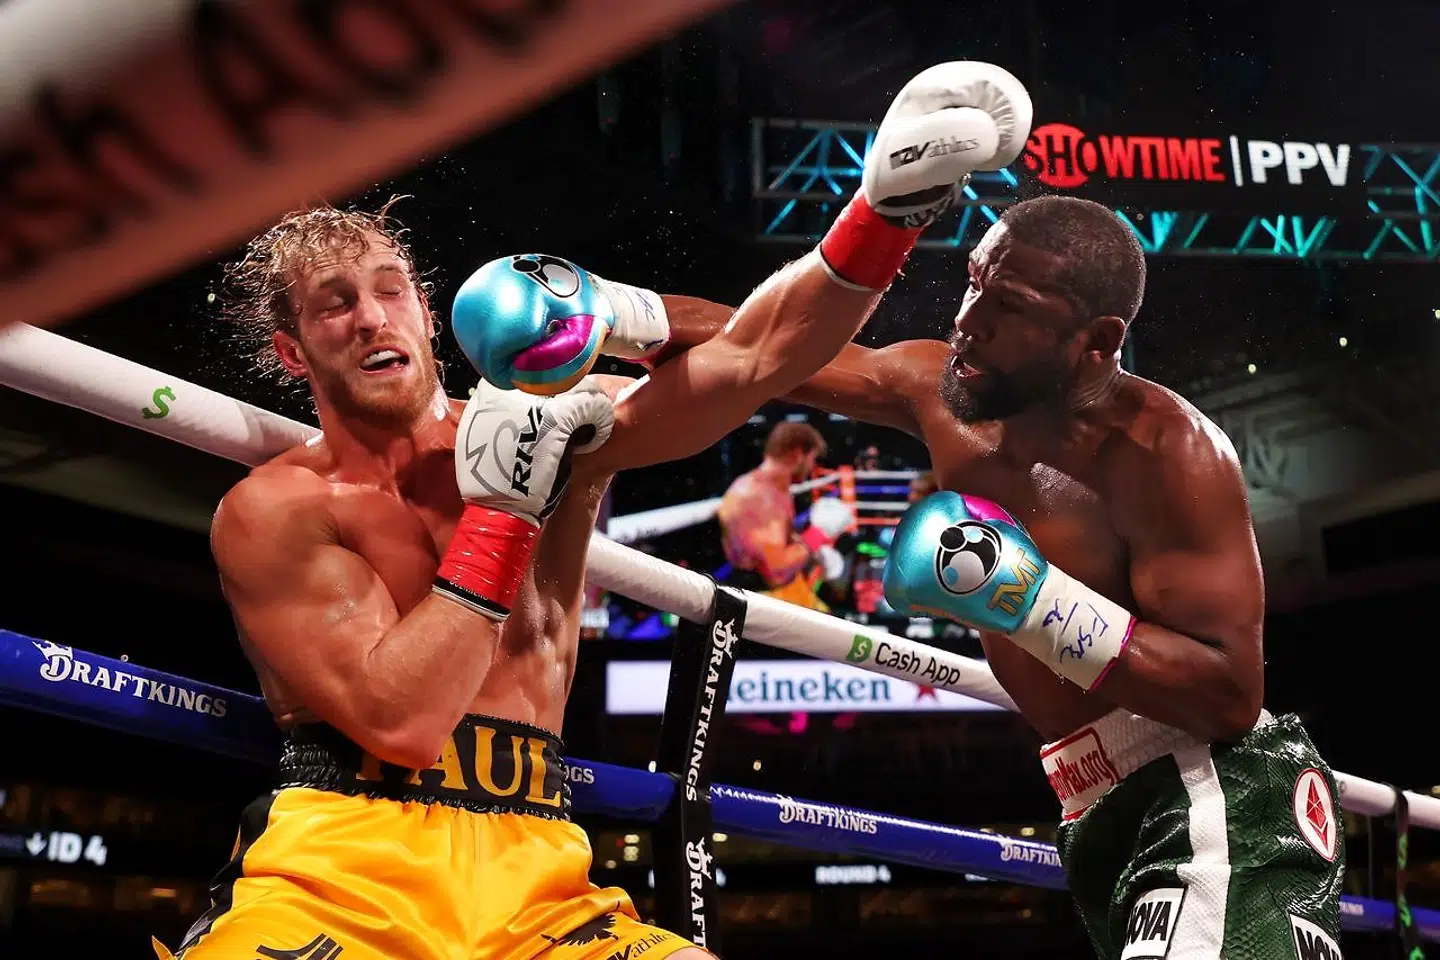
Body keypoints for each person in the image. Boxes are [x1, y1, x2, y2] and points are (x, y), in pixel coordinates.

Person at [160, 61, 1033, 960]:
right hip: (336, 868)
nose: (371, 318)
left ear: (426, 313)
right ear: (293, 351)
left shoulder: (557, 420)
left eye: (388, 290)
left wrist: (880, 220)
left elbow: (752, 359)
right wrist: (503, 511)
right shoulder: (271, 510)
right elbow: (402, 719)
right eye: (335, 307)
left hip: (539, 878)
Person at [645, 194, 1345, 960]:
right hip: (1097, 805)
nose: (967, 320)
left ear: (1097, 341)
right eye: (975, 282)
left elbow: (1230, 695)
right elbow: (767, 348)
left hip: (1216, 799)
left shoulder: (1167, 455)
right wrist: (614, 315)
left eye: (1007, 305)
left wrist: (1027, 597)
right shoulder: (938, 387)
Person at [717, 421, 852, 612]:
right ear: (798, 455)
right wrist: (817, 535)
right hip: (759, 600)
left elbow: (780, 542)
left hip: (781, 593)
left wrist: (817, 553)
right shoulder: (759, 495)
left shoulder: (778, 490)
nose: (812, 467)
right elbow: (776, 571)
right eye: (811, 459)